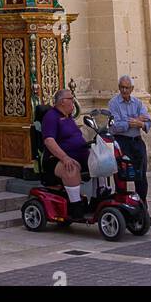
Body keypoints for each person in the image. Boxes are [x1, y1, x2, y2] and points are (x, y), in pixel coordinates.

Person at [107, 74, 151, 226]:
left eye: (127, 88)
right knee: (121, 176)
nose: (124, 90)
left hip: (136, 142)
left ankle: (143, 211)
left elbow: (148, 122)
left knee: (141, 177)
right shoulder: (113, 103)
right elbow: (115, 125)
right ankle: (123, 211)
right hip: (121, 142)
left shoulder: (138, 102)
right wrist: (133, 122)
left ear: (132, 89)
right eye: (122, 87)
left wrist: (140, 123)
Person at [40, 87, 90, 218]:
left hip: (80, 155)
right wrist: (65, 157)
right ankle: (76, 206)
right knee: (70, 168)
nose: (73, 102)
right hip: (55, 159)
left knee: (102, 164)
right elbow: (49, 141)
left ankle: (100, 196)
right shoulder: (51, 117)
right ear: (62, 101)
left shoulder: (68, 117)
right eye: (71, 99)